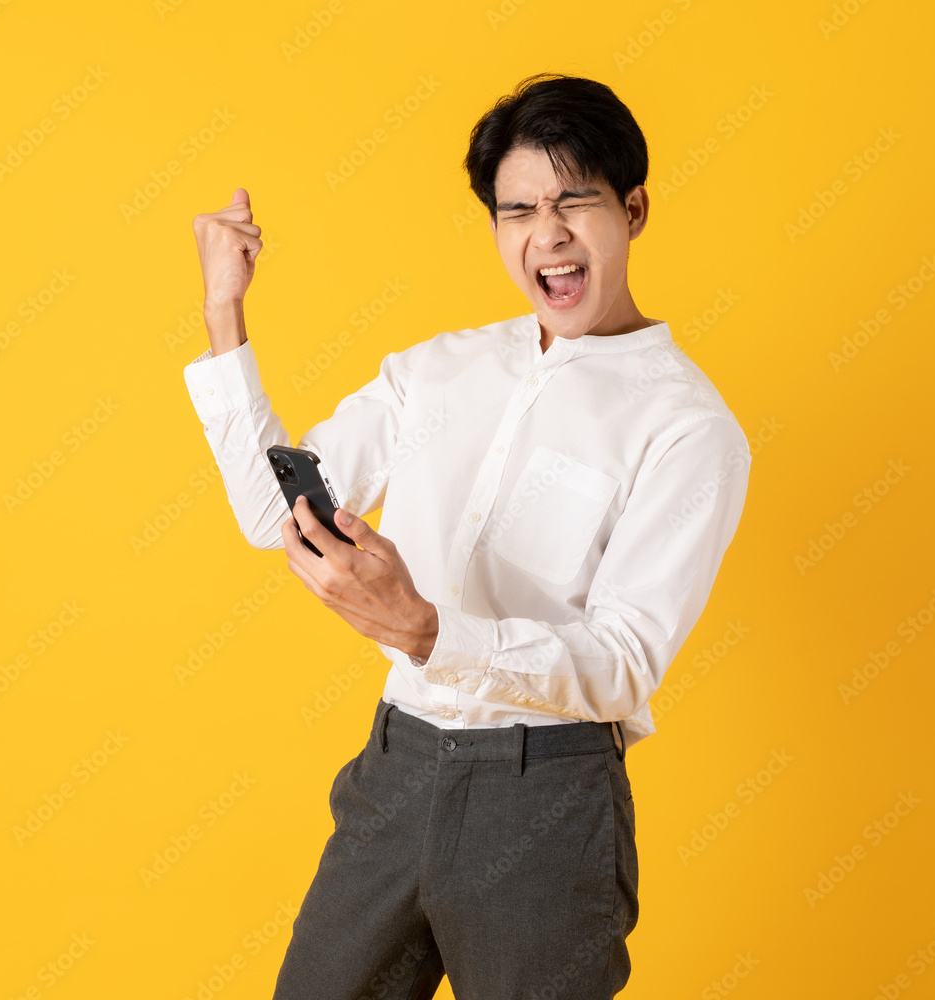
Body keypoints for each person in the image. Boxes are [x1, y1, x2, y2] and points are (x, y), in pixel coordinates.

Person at [184, 73, 751, 1000]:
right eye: (518, 209)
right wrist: (224, 313)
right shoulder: (436, 370)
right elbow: (271, 513)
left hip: (546, 798)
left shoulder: (687, 428)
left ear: (634, 208)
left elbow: (621, 665)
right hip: (396, 770)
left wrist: (424, 631)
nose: (549, 234)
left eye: (577, 202)